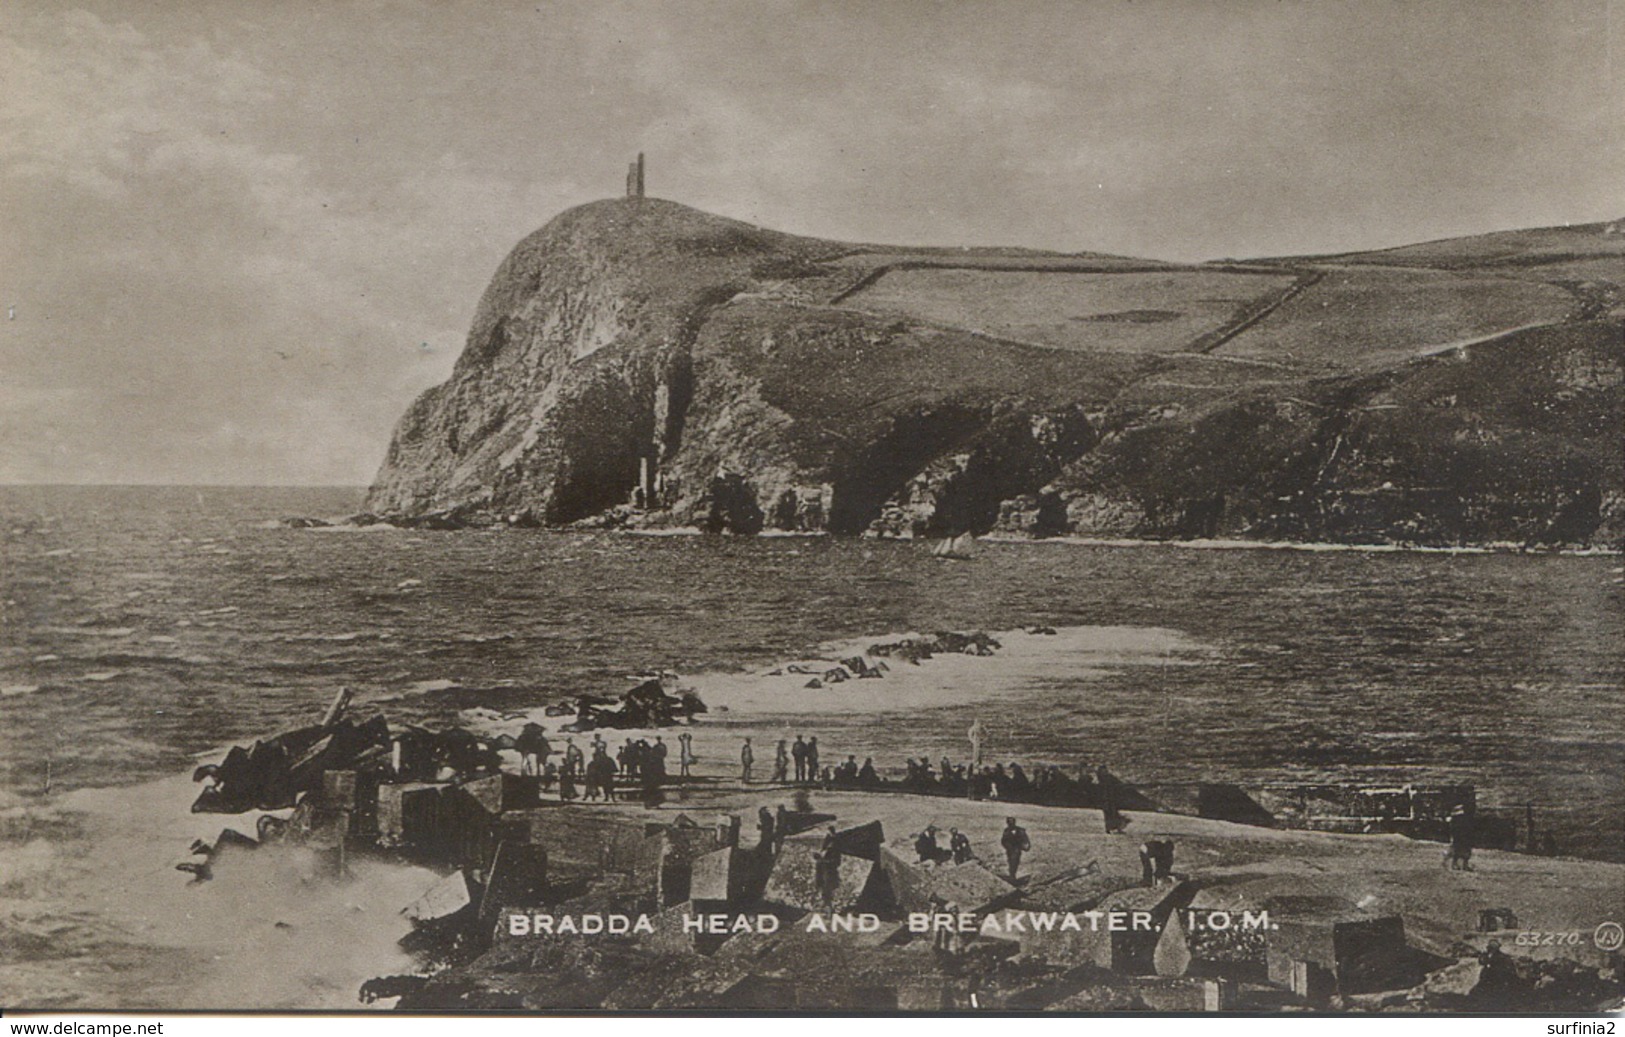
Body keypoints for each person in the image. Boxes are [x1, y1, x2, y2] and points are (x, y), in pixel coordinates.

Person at [1001, 817, 1031, 881]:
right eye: (1009, 823)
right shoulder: (1006, 831)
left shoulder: (1020, 830)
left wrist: (1026, 846)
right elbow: (1003, 841)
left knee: (1015, 862)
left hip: (1017, 850)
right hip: (1010, 850)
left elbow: (1025, 839)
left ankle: (1013, 875)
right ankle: (1012, 875)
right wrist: (1008, 847)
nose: (1010, 824)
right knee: (1011, 862)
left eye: (1012, 822)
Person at [1447, 804, 1475, 870]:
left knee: (1466, 848)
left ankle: (1464, 865)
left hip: (1465, 833)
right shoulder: (1456, 818)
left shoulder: (1465, 816)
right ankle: (1455, 864)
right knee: (1457, 848)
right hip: (1458, 834)